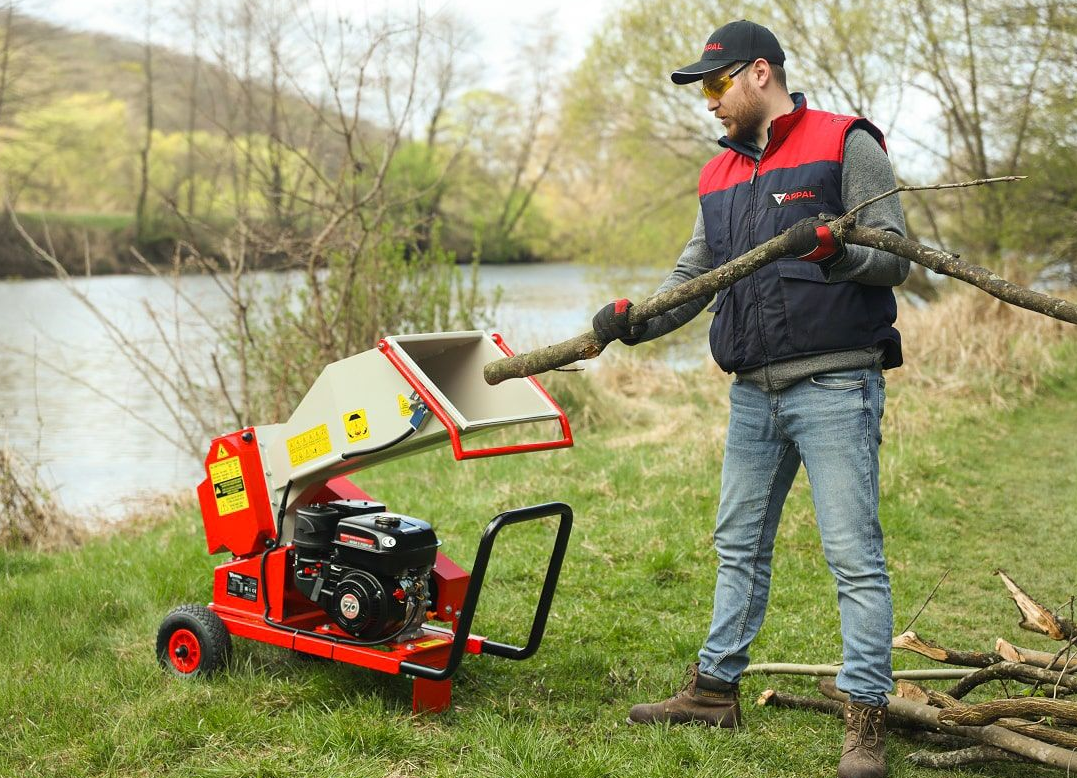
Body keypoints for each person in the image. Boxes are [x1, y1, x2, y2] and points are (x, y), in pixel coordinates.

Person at [592, 20, 908, 778]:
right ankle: (712, 692)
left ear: (757, 72)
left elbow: (895, 258)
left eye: (712, 84)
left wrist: (834, 249)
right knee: (737, 548)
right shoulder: (717, 176)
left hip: (835, 381)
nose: (706, 102)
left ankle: (865, 719)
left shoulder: (843, 142)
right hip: (752, 393)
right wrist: (634, 323)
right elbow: (692, 280)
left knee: (853, 560)